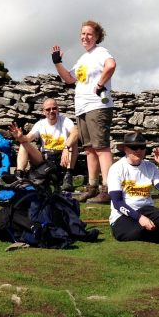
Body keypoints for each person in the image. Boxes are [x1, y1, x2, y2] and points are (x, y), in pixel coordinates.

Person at [52, 20, 116, 203]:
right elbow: (69, 79)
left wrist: (100, 84)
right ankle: (92, 187)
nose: (85, 37)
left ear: (96, 37)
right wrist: (58, 63)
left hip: (98, 106)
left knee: (101, 147)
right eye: (82, 34)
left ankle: (108, 189)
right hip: (82, 107)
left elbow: (111, 65)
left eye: (89, 34)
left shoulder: (101, 53)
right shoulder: (83, 59)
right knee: (89, 149)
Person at [8, 97, 79, 192]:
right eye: (48, 109)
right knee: (24, 143)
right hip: (45, 159)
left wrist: (66, 148)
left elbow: (75, 133)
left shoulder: (65, 121)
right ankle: (19, 175)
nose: (51, 111)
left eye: (54, 108)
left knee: (73, 141)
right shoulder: (40, 124)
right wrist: (20, 137)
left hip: (62, 158)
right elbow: (27, 138)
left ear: (58, 109)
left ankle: (68, 175)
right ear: (43, 112)